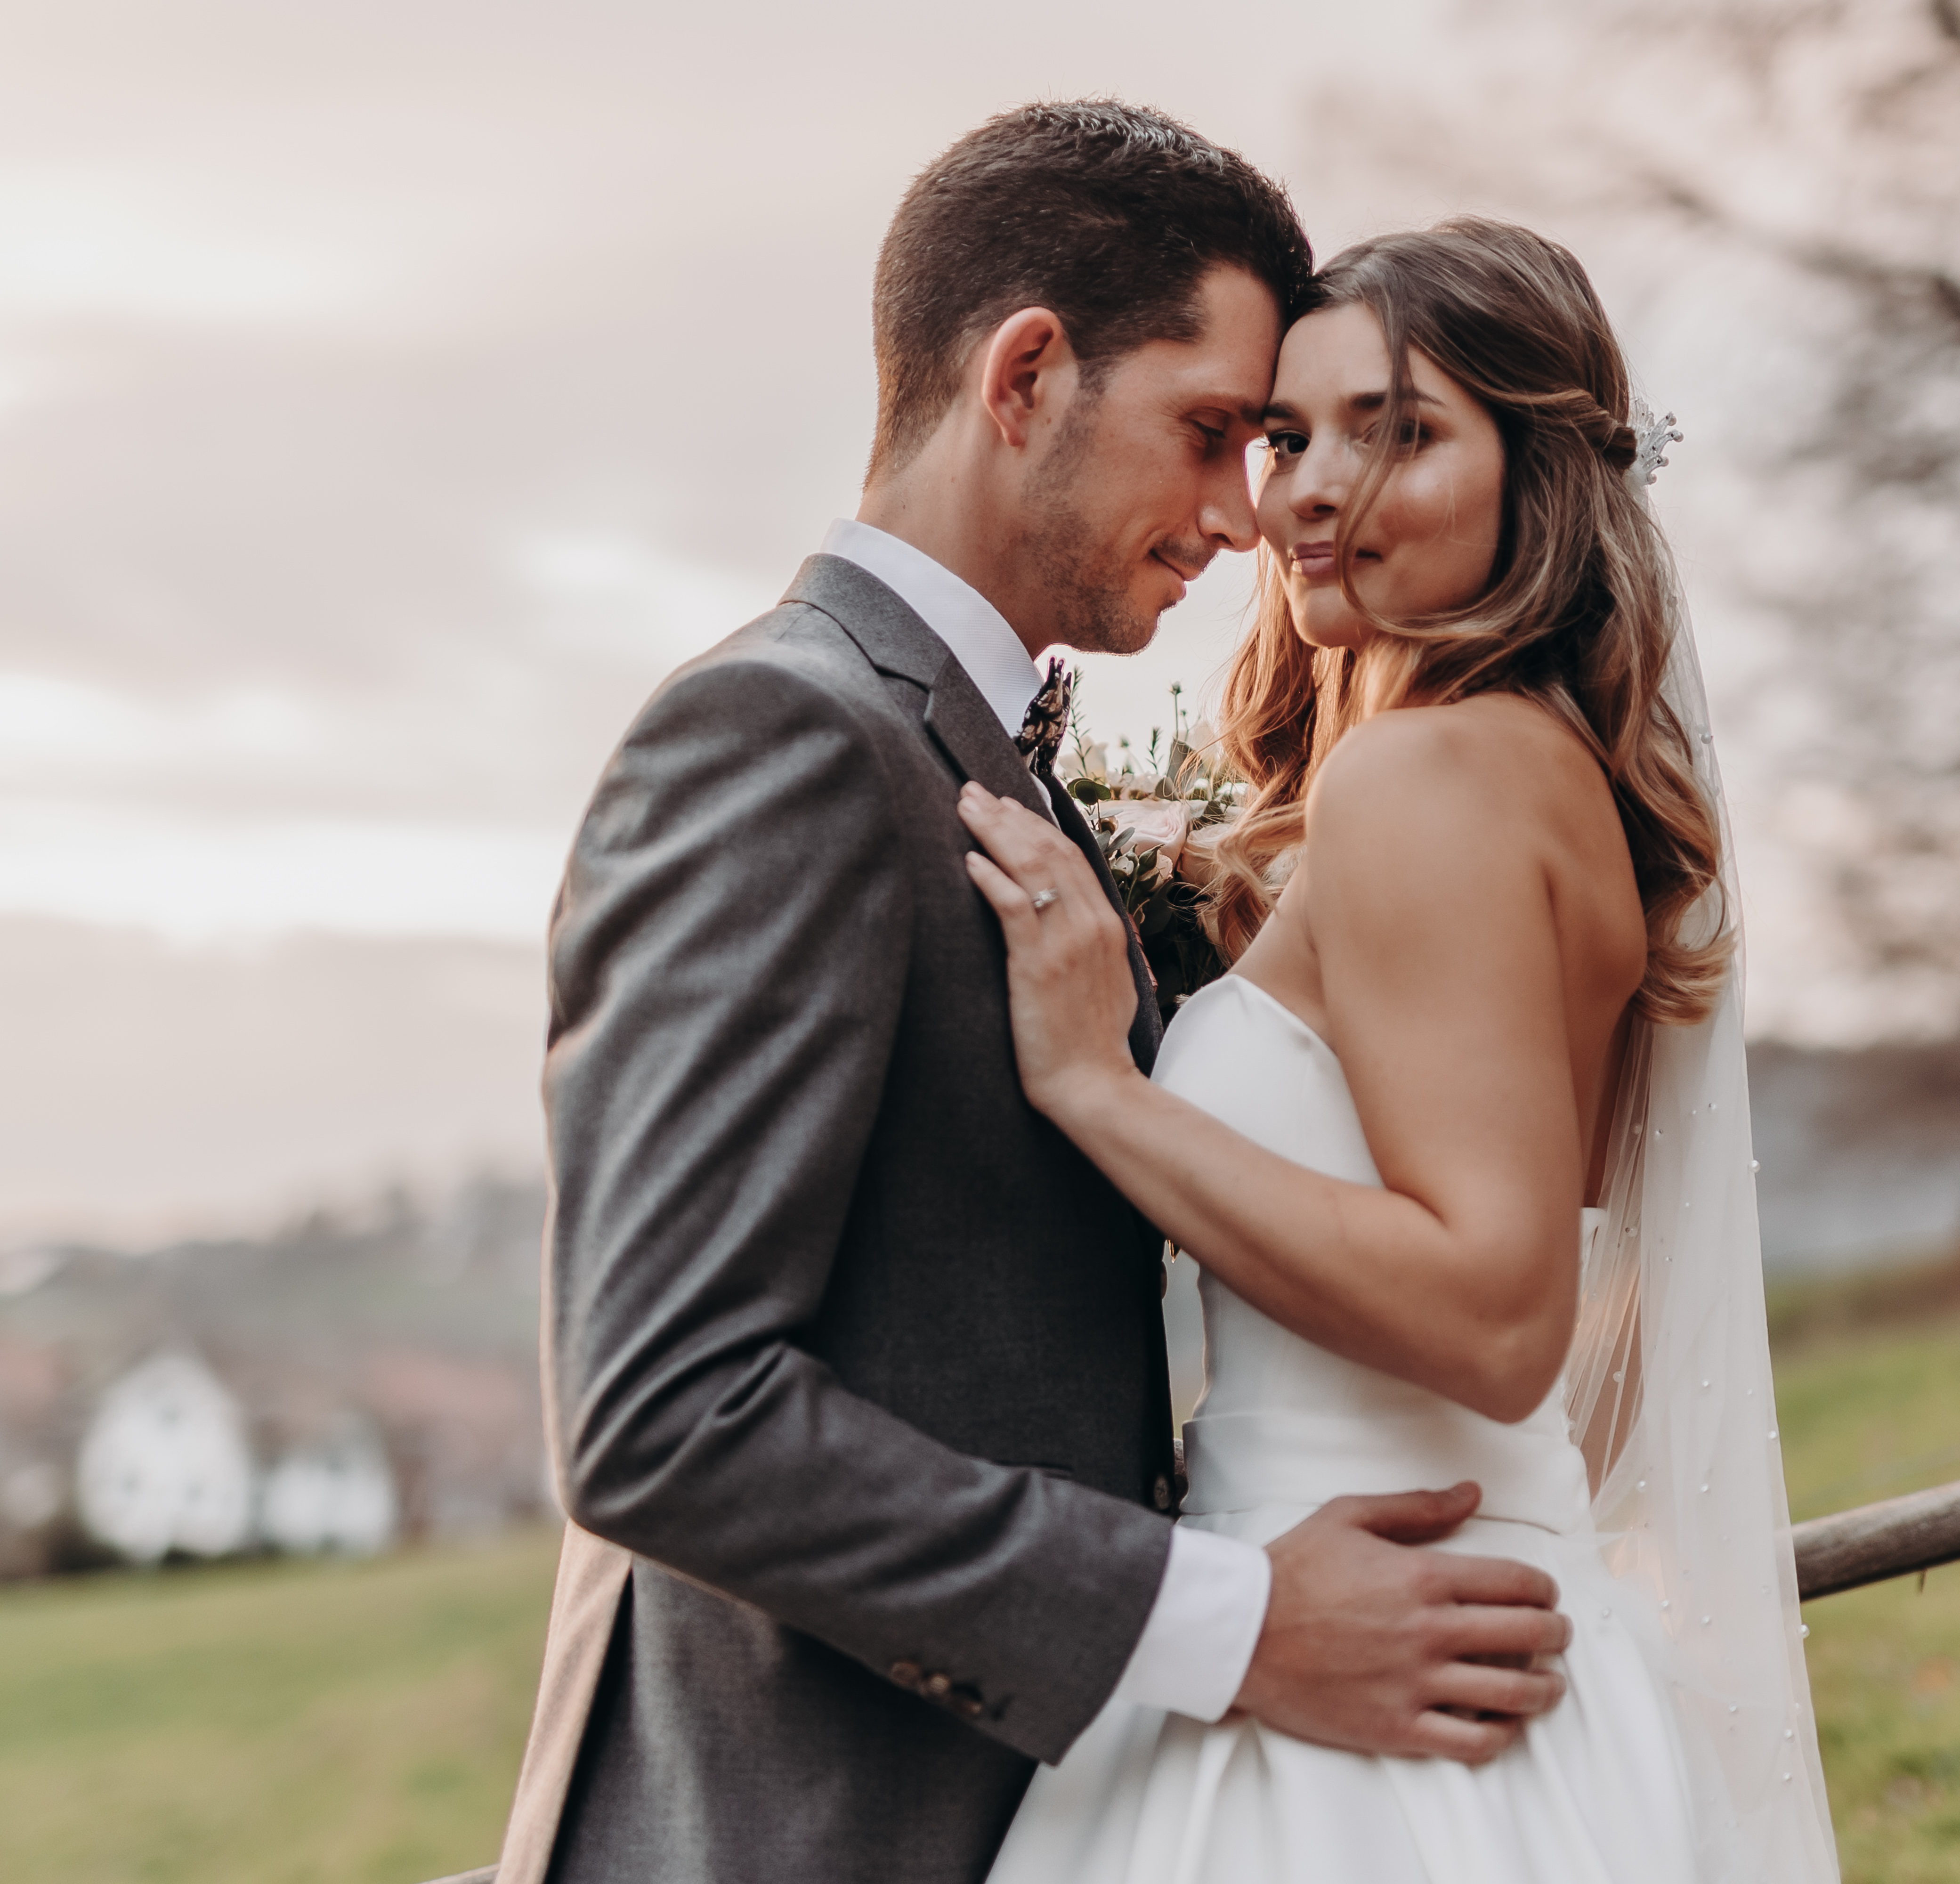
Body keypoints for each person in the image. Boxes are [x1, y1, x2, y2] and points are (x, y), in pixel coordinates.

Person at [489, 105, 1575, 1884]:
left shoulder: (987, 761)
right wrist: (1230, 1623)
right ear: (1025, 375)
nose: (1248, 516)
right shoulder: (778, 736)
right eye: (1214, 433)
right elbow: (661, 1416)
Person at [959, 217, 1839, 1883]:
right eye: (1289, 434)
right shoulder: (1536, 766)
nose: (1308, 488)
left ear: (1542, 477)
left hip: (1377, 1700)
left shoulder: (1428, 775)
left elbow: (1502, 1315)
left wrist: (1096, 1085)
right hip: (1480, 1631)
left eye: (1403, 431)